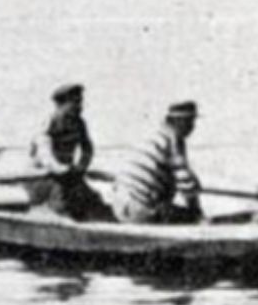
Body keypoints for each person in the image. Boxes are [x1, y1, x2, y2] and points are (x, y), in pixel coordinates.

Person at [28, 84, 115, 223]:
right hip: (45, 175)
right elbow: (43, 148)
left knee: (96, 205)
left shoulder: (79, 123)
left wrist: (81, 166)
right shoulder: (51, 121)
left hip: (68, 174)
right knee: (62, 207)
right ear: (62, 104)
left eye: (80, 101)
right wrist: (57, 168)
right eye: (75, 102)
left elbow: (87, 148)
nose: (80, 106)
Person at [109, 101, 206, 225]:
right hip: (139, 210)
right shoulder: (173, 139)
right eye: (189, 121)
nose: (192, 127)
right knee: (188, 217)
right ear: (178, 121)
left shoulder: (154, 133)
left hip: (119, 205)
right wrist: (197, 214)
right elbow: (185, 182)